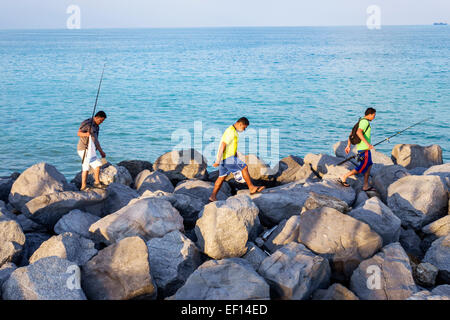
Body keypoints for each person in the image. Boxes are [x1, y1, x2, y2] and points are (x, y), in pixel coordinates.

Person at [208, 117, 265, 202]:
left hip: (225, 159)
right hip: (228, 158)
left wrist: (233, 157)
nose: (244, 130)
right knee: (244, 167)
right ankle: (251, 188)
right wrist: (217, 160)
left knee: (221, 178)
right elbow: (223, 145)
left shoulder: (232, 131)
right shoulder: (231, 132)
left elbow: (230, 146)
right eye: (244, 127)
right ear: (240, 124)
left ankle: (212, 196)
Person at [339, 108, 376, 192]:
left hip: (364, 148)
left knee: (369, 165)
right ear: (370, 114)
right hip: (364, 149)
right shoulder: (365, 122)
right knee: (363, 166)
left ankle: (365, 186)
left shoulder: (361, 121)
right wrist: (368, 144)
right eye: (374, 115)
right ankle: (344, 176)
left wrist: (348, 145)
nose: (374, 117)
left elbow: (351, 133)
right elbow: (358, 133)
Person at [77, 111, 107, 191]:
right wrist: (86, 134)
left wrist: (101, 151)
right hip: (84, 148)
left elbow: (96, 140)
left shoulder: (97, 126)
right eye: (100, 120)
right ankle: (83, 187)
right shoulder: (87, 123)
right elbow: (79, 133)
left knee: (97, 164)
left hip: (91, 150)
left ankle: (97, 183)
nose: (101, 122)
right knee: (86, 166)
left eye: (102, 121)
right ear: (96, 117)